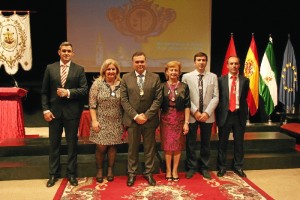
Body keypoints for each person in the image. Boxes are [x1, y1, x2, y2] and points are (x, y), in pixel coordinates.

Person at [41, 41, 88, 187]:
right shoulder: (50, 68)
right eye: (64, 51)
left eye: (69, 51)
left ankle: (71, 174)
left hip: (72, 114)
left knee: (72, 145)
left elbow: (84, 90)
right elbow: (44, 92)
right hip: (53, 113)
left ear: (72, 53)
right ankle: (53, 175)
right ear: (59, 52)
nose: (66, 53)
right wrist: (45, 109)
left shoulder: (79, 69)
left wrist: (68, 92)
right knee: (53, 145)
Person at [120, 51, 162, 187]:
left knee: (150, 148)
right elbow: (124, 100)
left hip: (149, 120)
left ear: (146, 62)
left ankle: (148, 173)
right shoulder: (125, 78)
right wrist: (136, 116)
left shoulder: (155, 77)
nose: (140, 64)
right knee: (133, 148)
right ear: (133, 63)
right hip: (133, 120)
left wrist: (147, 115)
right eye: (137, 62)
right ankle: (132, 174)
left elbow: (158, 99)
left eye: (142, 61)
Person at [182, 52, 219, 180]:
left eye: (203, 60)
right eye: (199, 60)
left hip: (208, 116)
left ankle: (204, 167)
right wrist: (196, 111)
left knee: (206, 143)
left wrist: (207, 113)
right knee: (190, 143)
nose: (201, 62)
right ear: (194, 62)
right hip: (192, 115)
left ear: (206, 62)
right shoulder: (186, 77)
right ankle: (191, 167)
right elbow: (185, 97)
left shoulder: (213, 77)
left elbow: (216, 97)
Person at [89, 58, 125, 183]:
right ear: (104, 70)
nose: (110, 71)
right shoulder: (97, 84)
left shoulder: (122, 84)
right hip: (101, 120)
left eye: (113, 69)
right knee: (101, 147)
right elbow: (92, 105)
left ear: (117, 71)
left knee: (112, 146)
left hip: (117, 120)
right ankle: (99, 169)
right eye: (108, 69)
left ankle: (110, 169)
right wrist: (94, 121)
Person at [216, 56, 249, 178]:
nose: (234, 66)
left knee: (239, 143)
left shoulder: (245, 80)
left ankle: (238, 167)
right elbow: (219, 98)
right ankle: (222, 167)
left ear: (239, 65)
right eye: (232, 63)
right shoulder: (220, 80)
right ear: (227, 65)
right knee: (222, 143)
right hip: (225, 115)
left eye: (236, 63)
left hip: (239, 115)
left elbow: (244, 98)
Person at [160, 61, 190, 182]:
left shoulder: (184, 86)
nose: (173, 72)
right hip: (166, 118)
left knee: (178, 146)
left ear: (179, 72)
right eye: (171, 70)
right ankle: (168, 170)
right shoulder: (162, 86)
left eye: (175, 70)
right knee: (167, 146)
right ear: (167, 72)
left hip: (179, 118)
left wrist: (186, 122)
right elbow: (158, 105)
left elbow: (187, 105)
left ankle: (175, 170)